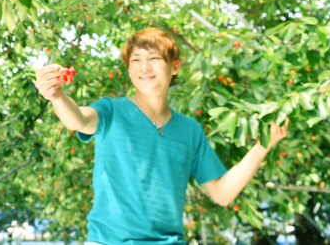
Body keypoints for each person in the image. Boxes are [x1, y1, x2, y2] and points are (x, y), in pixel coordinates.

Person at [33, 28, 289, 245]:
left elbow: (222, 193)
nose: (144, 67)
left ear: (174, 66)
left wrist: (261, 147)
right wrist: (57, 96)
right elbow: (77, 119)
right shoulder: (112, 111)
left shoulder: (190, 130)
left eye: (154, 58)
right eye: (136, 60)